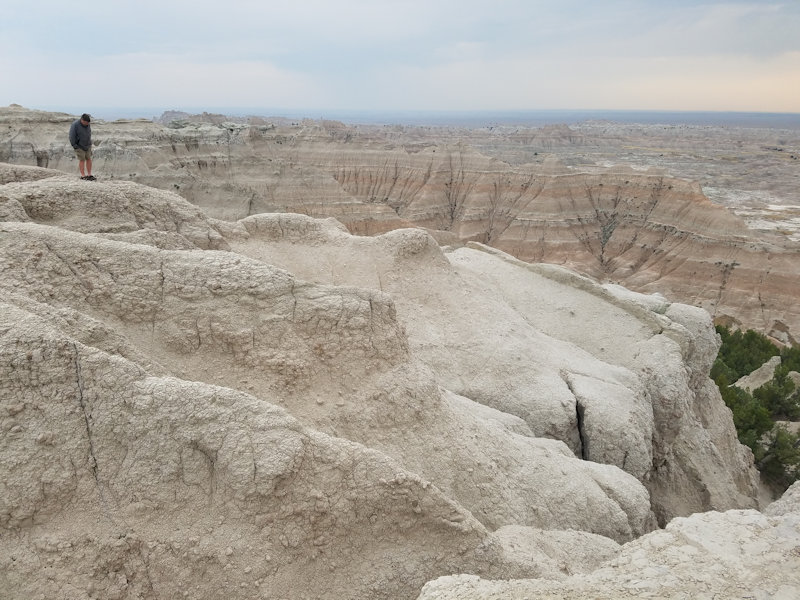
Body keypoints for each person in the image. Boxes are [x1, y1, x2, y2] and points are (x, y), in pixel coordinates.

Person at [69, 113, 95, 180]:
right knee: (82, 160)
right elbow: (72, 136)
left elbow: (89, 133)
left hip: (87, 145)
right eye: (86, 123)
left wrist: (89, 143)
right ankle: (83, 175)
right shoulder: (75, 125)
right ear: (82, 120)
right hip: (79, 146)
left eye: (88, 123)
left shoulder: (88, 124)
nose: (87, 124)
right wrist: (75, 146)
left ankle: (89, 174)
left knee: (88, 159)